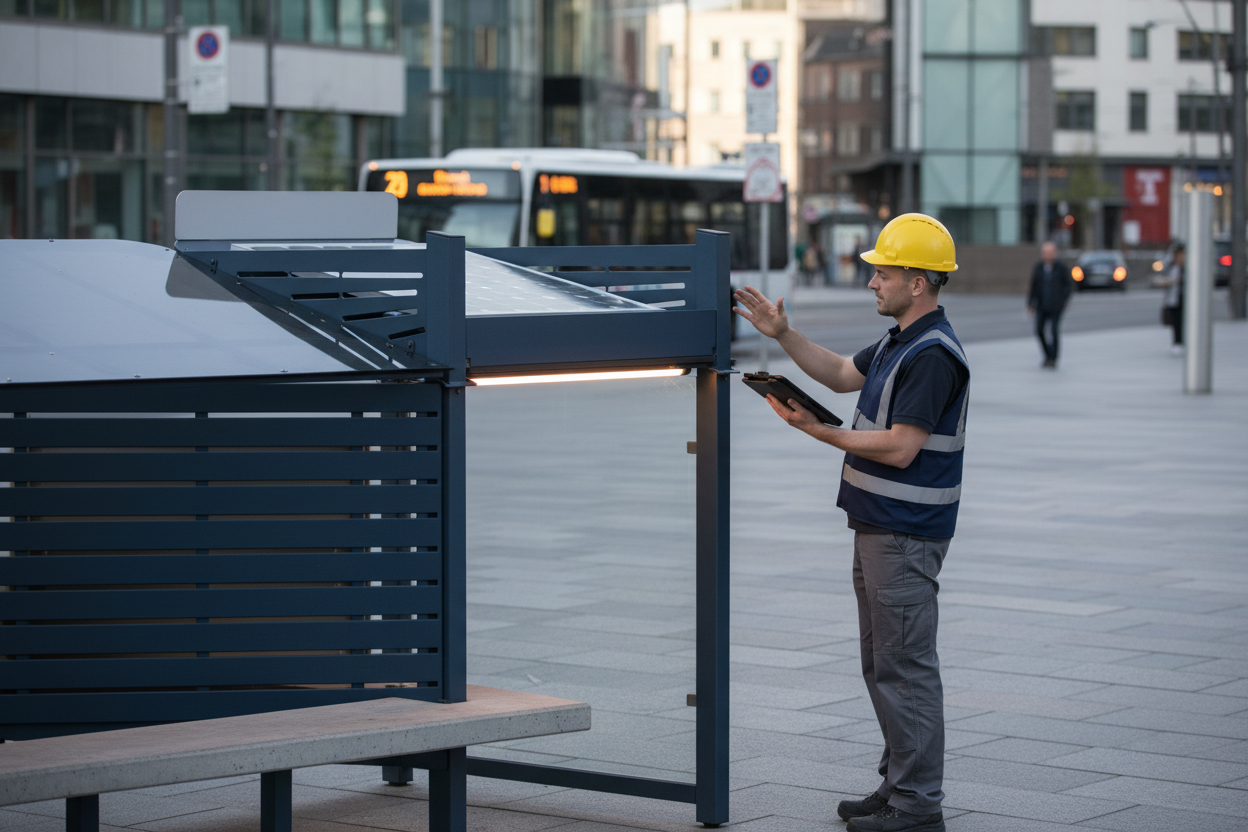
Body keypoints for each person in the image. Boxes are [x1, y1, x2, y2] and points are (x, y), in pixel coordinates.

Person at [734, 213, 968, 832]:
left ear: (918, 283)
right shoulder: (899, 340)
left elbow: (901, 447)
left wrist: (820, 431)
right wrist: (784, 334)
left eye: (882, 272)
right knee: (882, 662)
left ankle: (917, 805)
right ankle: (898, 785)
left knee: (905, 666)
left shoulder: (931, 354)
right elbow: (841, 373)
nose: (871, 282)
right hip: (878, 525)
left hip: (904, 532)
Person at [1026, 241, 1074, 368]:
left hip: (1056, 306)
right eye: (1044, 252)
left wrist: (1064, 300)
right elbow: (1034, 286)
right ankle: (1047, 354)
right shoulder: (1039, 267)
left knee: (1053, 331)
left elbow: (1068, 286)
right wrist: (1030, 304)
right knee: (1039, 330)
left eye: (1049, 252)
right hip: (1041, 305)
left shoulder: (1061, 267)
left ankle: (1053, 358)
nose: (1047, 255)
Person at [1159, 245, 1185, 353]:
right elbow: (1163, 278)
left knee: (1184, 322)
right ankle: (1177, 343)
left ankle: (1183, 342)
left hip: (1184, 298)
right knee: (1176, 323)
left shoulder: (1187, 268)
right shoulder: (1171, 267)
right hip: (1173, 299)